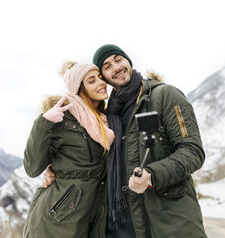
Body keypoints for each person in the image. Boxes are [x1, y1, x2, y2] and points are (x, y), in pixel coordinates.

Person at [44, 45, 208, 238]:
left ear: (128, 61)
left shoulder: (164, 96)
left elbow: (192, 151)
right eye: (107, 65)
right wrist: (56, 170)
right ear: (104, 76)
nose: (116, 67)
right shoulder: (107, 117)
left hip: (168, 220)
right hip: (118, 224)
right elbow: (92, 162)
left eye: (118, 59)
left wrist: (151, 175)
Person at [23, 61, 115, 238]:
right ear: (79, 89)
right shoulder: (64, 120)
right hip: (56, 221)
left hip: (89, 218)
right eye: (91, 80)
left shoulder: (105, 121)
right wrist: (44, 123)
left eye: (101, 78)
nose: (101, 82)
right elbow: (32, 168)